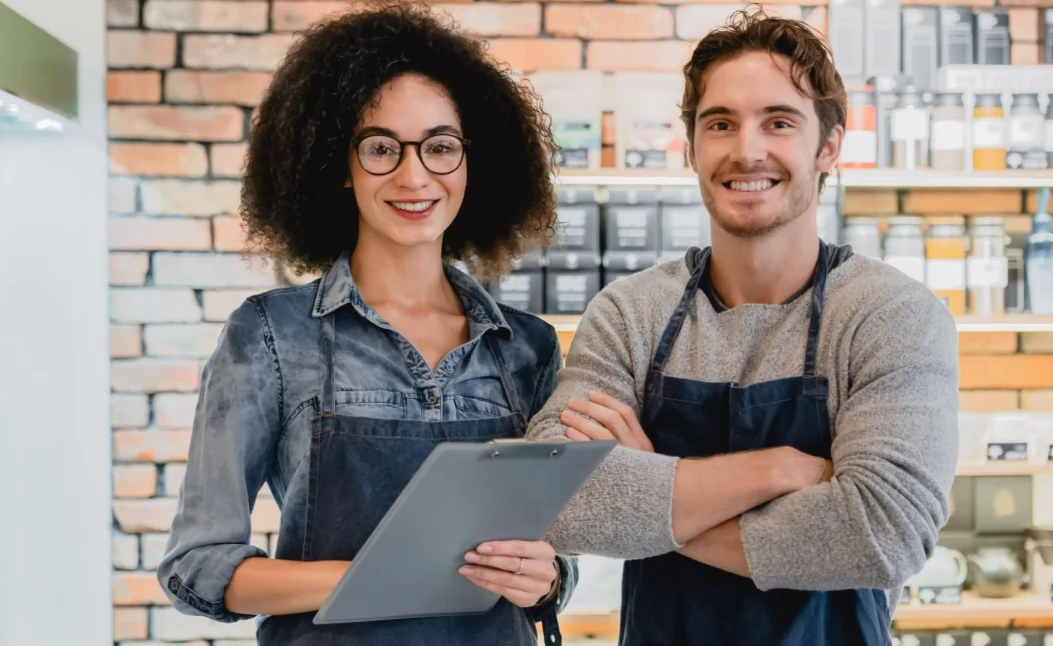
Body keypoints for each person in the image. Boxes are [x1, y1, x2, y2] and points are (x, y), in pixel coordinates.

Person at [527, 8, 960, 645]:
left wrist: (656, 487)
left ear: (829, 146)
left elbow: (883, 530)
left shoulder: (888, 315)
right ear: (692, 147)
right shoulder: (630, 314)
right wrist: (781, 470)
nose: (746, 150)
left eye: (778, 122)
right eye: (720, 123)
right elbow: (548, 492)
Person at [156, 3, 575, 644]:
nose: (414, 175)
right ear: (339, 168)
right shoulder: (271, 335)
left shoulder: (528, 348)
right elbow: (197, 565)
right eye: (381, 148)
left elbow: (554, 558)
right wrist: (379, 577)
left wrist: (546, 579)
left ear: (471, 161)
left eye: (440, 147)